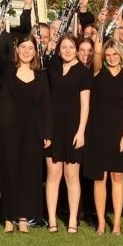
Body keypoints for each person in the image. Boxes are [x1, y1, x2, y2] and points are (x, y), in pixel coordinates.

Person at [0, 37, 51, 233]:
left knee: (29, 173)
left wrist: (46, 132)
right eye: (23, 47)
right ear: (16, 50)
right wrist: (1, 29)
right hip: (9, 129)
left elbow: (46, 106)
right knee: (10, 172)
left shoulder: (41, 76)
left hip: (33, 131)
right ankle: (9, 217)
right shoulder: (8, 71)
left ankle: (24, 217)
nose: (27, 51)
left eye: (31, 48)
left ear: (36, 52)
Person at [85, 39, 123, 235]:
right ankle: (100, 223)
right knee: (100, 178)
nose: (112, 58)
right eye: (108, 55)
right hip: (98, 132)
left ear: (120, 55)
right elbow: (97, 51)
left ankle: (115, 224)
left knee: (117, 176)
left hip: (119, 132)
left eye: (115, 54)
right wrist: (102, 24)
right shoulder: (98, 72)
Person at [44, 35, 92, 233]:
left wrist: (81, 131)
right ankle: (52, 220)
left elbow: (85, 104)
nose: (67, 50)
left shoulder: (82, 72)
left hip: (73, 129)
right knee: (53, 175)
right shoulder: (52, 69)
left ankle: (72, 220)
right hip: (53, 128)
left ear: (76, 48)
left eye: (71, 46)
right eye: (63, 47)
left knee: (72, 176)